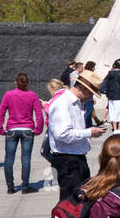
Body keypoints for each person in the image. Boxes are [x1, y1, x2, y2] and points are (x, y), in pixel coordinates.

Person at [46, 70, 107, 200]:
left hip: (77, 159)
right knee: (70, 204)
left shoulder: (76, 103)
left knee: (82, 201)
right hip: (67, 161)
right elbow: (62, 135)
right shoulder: (63, 103)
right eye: (91, 93)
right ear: (81, 87)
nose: (91, 97)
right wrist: (89, 132)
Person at [0, 72, 46, 194]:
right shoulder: (32, 95)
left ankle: (10, 187)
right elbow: (39, 114)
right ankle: (25, 186)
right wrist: (38, 129)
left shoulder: (9, 95)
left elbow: (1, 112)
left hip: (12, 129)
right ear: (27, 83)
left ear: (15, 82)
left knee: (9, 159)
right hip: (27, 129)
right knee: (26, 158)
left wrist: (0, 128)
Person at [102, 58, 120, 132]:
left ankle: (115, 129)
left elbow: (103, 84)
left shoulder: (109, 74)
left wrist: (106, 92)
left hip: (111, 97)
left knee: (113, 114)